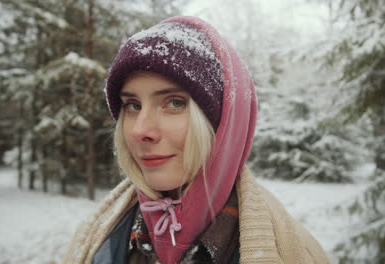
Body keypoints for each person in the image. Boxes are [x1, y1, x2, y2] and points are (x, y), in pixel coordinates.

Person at [63, 16, 331, 264]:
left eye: (175, 103)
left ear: (224, 124)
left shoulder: (297, 254)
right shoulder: (98, 237)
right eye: (132, 105)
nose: (139, 130)